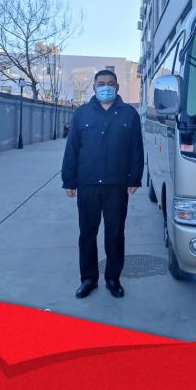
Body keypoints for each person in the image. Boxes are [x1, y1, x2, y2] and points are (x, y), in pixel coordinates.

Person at [61, 69, 144, 299]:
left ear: (117, 87)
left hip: (117, 185)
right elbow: (72, 149)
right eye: (101, 83)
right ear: (94, 87)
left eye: (110, 83)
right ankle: (88, 279)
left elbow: (136, 149)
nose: (105, 87)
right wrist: (69, 180)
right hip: (87, 184)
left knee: (115, 234)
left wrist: (135, 177)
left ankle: (113, 279)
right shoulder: (82, 114)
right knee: (87, 233)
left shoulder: (129, 114)